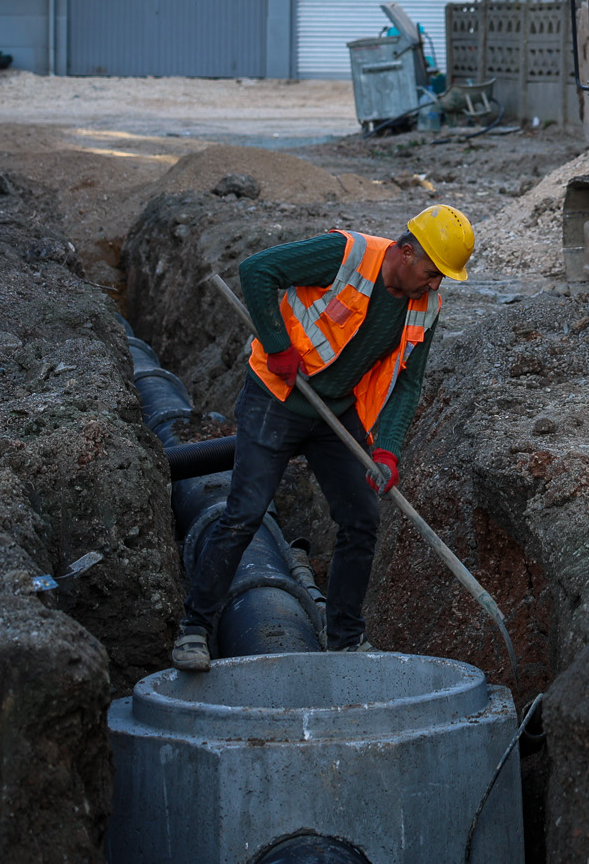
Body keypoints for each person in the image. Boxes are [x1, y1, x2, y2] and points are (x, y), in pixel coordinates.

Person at [171, 204, 474, 672]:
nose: (435, 285)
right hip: (277, 399)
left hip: (335, 413)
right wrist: (278, 346)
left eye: (442, 279)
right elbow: (257, 270)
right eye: (432, 273)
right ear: (406, 251)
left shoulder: (425, 307)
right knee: (244, 514)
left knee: (361, 519)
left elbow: (408, 383)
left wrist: (388, 450)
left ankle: (345, 640)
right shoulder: (346, 255)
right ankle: (195, 628)